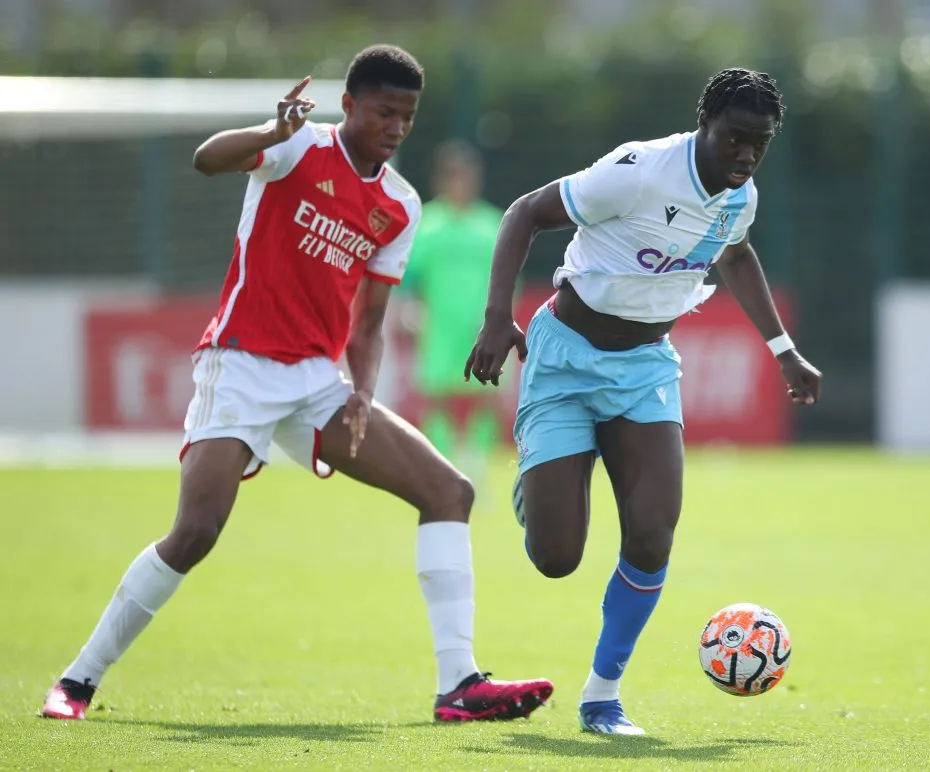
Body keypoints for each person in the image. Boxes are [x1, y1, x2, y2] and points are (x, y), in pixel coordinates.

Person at [41, 45, 552, 723]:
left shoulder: (399, 205)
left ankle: (459, 684)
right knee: (195, 531)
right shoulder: (296, 148)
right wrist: (268, 132)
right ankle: (78, 681)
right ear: (349, 106)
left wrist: (363, 392)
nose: (396, 126)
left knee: (448, 491)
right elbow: (206, 159)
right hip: (241, 363)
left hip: (318, 380)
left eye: (407, 115)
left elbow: (369, 324)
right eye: (383, 111)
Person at [464, 68, 822, 735]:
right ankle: (542, 485)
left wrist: (783, 350)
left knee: (654, 532)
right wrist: (495, 317)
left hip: (645, 369)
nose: (746, 155)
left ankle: (602, 697)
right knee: (556, 557)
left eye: (760, 143)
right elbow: (524, 213)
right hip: (565, 361)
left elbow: (736, 258)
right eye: (735, 139)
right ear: (704, 125)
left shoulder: (739, 196)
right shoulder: (637, 170)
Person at [401, 141, 504, 482]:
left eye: (469, 176)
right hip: (438, 325)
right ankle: (443, 462)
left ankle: (475, 460)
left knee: (487, 395)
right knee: (436, 396)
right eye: (456, 176)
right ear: (443, 180)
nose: (463, 183)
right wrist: (408, 309)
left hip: (481, 326)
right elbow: (408, 275)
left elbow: (506, 277)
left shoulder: (491, 223)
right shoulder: (427, 224)